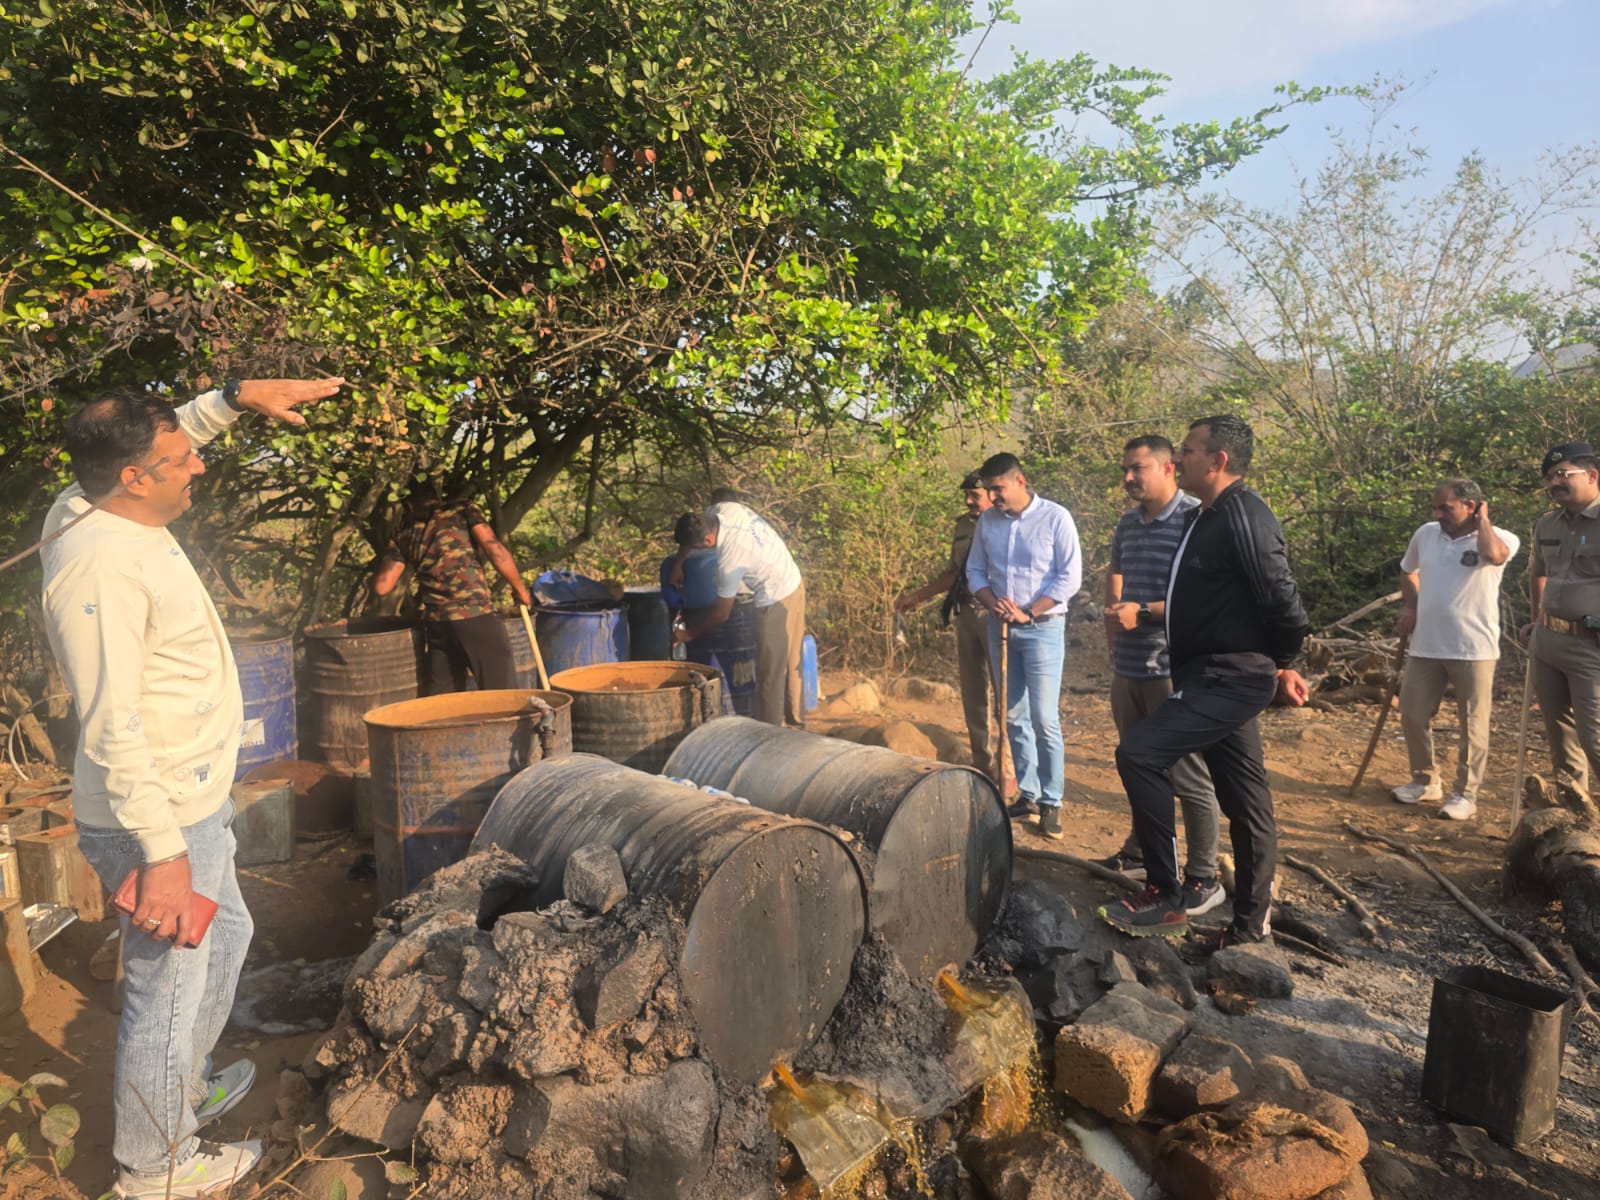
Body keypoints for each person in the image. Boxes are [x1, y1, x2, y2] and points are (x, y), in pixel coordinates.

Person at [41, 376, 344, 1198]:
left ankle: (179, 1092)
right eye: (181, 461)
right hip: (158, 817)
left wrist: (234, 398)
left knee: (228, 936)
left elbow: (175, 440)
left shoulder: (91, 499)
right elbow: (110, 727)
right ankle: (155, 1165)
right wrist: (163, 854)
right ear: (133, 477)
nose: (198, 467)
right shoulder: (97, 569)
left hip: (191, 806)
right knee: (167, 987)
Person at [1098, 415, 1310, 946]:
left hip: (1229, 678)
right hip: (1209, 673)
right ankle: (1247, 927)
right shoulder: (1205, 517)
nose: (1180, 458)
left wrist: (1281, 661)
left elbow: (1284, 602)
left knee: (1140, 754)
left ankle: (1164, 894)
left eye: (1188, 450)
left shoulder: (1245, 515)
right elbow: (1203, 600)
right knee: (1247, 803)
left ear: (1217, 460)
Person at [1096, 436, 1224, 915]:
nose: (1129, 478)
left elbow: (1204, 601)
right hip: (1128, 668)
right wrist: (1114, 617)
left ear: (1169, 467)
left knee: (1188, 776)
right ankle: (1139, 855)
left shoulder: (1195, 520)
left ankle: (1204, 876)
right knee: (1139, 769)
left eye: (1138, 468)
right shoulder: (1129, 522)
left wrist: (1143, 614)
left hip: (1172, 669)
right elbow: (1116, 569)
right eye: (1125, 470)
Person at [965, 452, 1082, 840]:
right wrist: (992, 604)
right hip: (999, 628)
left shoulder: (1055, 517)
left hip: (1042, 629)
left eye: (998, 488)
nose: (993, 496)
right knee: (1012, 715)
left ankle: (1052, 801)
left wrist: (1029, 612)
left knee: (1043, 718)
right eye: (989, 489)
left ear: (1020, 481)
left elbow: (1069, 577)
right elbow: (975, 571)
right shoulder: (988, 521)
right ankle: (1028, 795)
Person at [1389, 479, 1519, 821]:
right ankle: (1425, 780)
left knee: (1472, 725)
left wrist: (1483, 522)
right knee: (1412, 714)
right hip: (1426, 644)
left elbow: (1493, 556)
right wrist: (1411, 605)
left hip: (1474, 648)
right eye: (1435, 507)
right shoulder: (1426, 534)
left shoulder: (1501, 537)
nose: (1438, 514)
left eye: (1446, 507)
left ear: (1471, 506)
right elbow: (1407, 570)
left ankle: (1465, 793)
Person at [371, 481, 532, 696]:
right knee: (503, 697)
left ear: (408, 505)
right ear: (437, 497)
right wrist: (520, 589)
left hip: (439, 627)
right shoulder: (462, 510)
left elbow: (382, 587)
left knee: (445, 702)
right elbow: (495, 551)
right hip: (476, 618)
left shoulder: (404, 530)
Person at [894, 471, 1001, 780]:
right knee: (973, 691)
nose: (968, 501)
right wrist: (917, 596)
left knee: (1005, 693)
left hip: (995, 615)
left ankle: (1009, 765)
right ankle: (983, 762)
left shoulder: (1005, 523)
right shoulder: (963, 526)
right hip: (965, 613)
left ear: (992, 494)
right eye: (965, 495)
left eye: (974, 495)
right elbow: (954, 572)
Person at [672, 500, 806, 726]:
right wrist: (679, 563)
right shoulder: (724, 509)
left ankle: (770, 736)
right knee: (793, 663)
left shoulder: (731, 560)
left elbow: (721, 614)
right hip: (794, 580)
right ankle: (797, 725)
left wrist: (689, 634)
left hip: (775, 597)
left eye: (697, 548)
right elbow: (692, 531)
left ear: (708, 541)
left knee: (770, 674)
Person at [1523, 441, 1600, 792]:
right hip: (1548, 641)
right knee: (1561, 740)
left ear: (1592, 475)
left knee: (1594, 739)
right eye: (1550, 478)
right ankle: (1576, 813)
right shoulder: (1547, 524)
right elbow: (1538, 573)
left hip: (1591, 645)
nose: (1554, 483)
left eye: (1562, 474)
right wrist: (1536, 620)